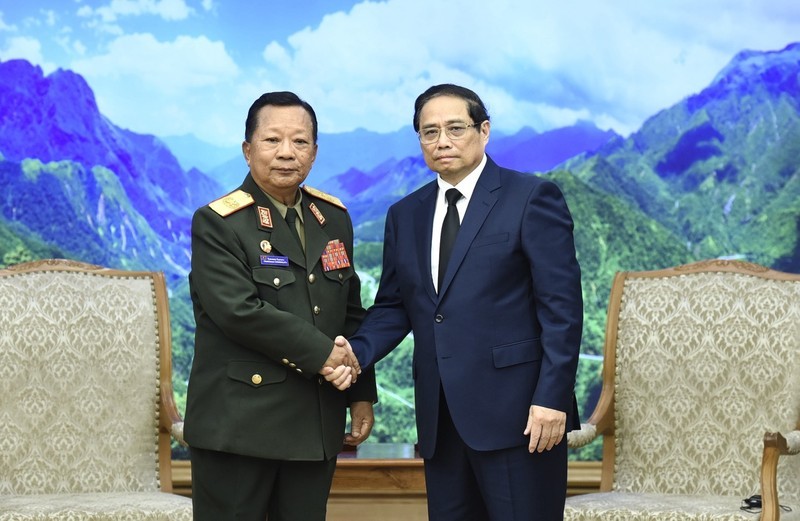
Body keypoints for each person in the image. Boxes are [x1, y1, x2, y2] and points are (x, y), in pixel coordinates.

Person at [333, 84, 583, 520]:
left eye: (455, 128)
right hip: (441, 421)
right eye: (429, 132)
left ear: (483, 131)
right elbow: (395, 306)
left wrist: (553, 398)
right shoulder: (405, 214)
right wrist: (355, 352)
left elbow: (562, 311)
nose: (442, 141)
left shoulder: (531, 198)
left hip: (522, 418)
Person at [184, 91, 376, 521]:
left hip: (314, 425)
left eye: (300, 142)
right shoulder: (217, 222)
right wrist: (326, 354)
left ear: (315, 152)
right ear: (248, 149)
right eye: (272, 141)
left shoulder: (333, 218)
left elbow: (350, 310)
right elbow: (238, 311)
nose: (287, 153)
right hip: (238, 427)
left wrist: (361, 394)